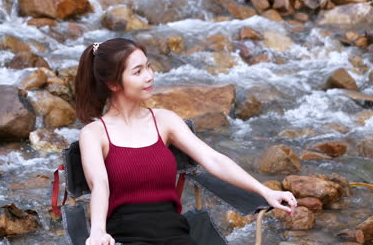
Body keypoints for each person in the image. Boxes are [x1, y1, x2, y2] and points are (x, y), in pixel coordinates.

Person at [74, 38, 297, 245]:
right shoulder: (94, 134)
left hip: (174, 234)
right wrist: (98, 231)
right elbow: (99, 185)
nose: (149, 76)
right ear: (113, 84)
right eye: (138, 71)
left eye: (149, 66)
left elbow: (213, 159)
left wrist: (264, 191)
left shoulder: (165, 120)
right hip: (125, 236)